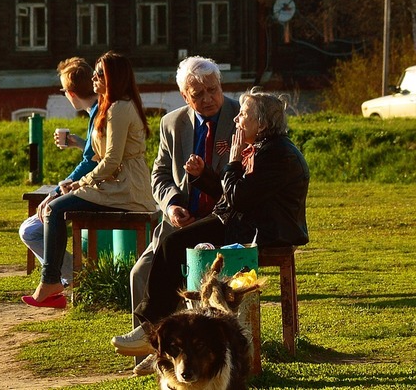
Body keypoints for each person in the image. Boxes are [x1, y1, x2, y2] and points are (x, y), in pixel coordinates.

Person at [112, 88, 309, 357]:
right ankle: (161, 337)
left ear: (261, 124)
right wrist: (203, 174)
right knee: (177, 243)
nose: (236, 120)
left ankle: (152, 331)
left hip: (263, 232)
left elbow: (239, 197)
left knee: (173, 243)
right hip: (247, 223)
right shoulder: (266, 148)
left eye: (243, 115)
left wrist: (233, 161)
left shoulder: (277, 154)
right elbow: (236, 195)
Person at [127, 56, 239, 374]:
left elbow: (241, 179)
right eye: (198, 94)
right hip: (180, 222)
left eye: (212, 90)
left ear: (221, 86)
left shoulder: (240, 116)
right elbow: (159, 175)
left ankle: (181, 352)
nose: (207, 99)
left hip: (221, 219)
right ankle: (152, 355)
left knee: (180, 263)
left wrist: (207, 177)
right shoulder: (172, 123)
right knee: (139, 273)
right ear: (184, 97)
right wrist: (173, 204)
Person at [23, 52, 155, 308]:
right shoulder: (110, 106)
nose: (93, 78)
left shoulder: (120, 108)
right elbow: (98, 155)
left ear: (114, 78)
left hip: (126, 188)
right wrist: (75, 174)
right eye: (94, 72)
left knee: (54, 208)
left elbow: (112, 161)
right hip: (112, 185)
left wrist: (79, 183)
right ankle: (54, 279)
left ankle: (51, 279)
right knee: (55, 206)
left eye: (100, 74)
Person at [18, 57, 100, 286]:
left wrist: (56, 191)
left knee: (30, 229)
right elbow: (97, 155)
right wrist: (80, 143)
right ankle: (68, 276)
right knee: (35, 223)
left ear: (71, 94)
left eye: (64, 90)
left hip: (100, 189)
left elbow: (91, 163)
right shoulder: (99, 111)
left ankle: (73, 276)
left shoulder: (98, 114)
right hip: (98, 185)